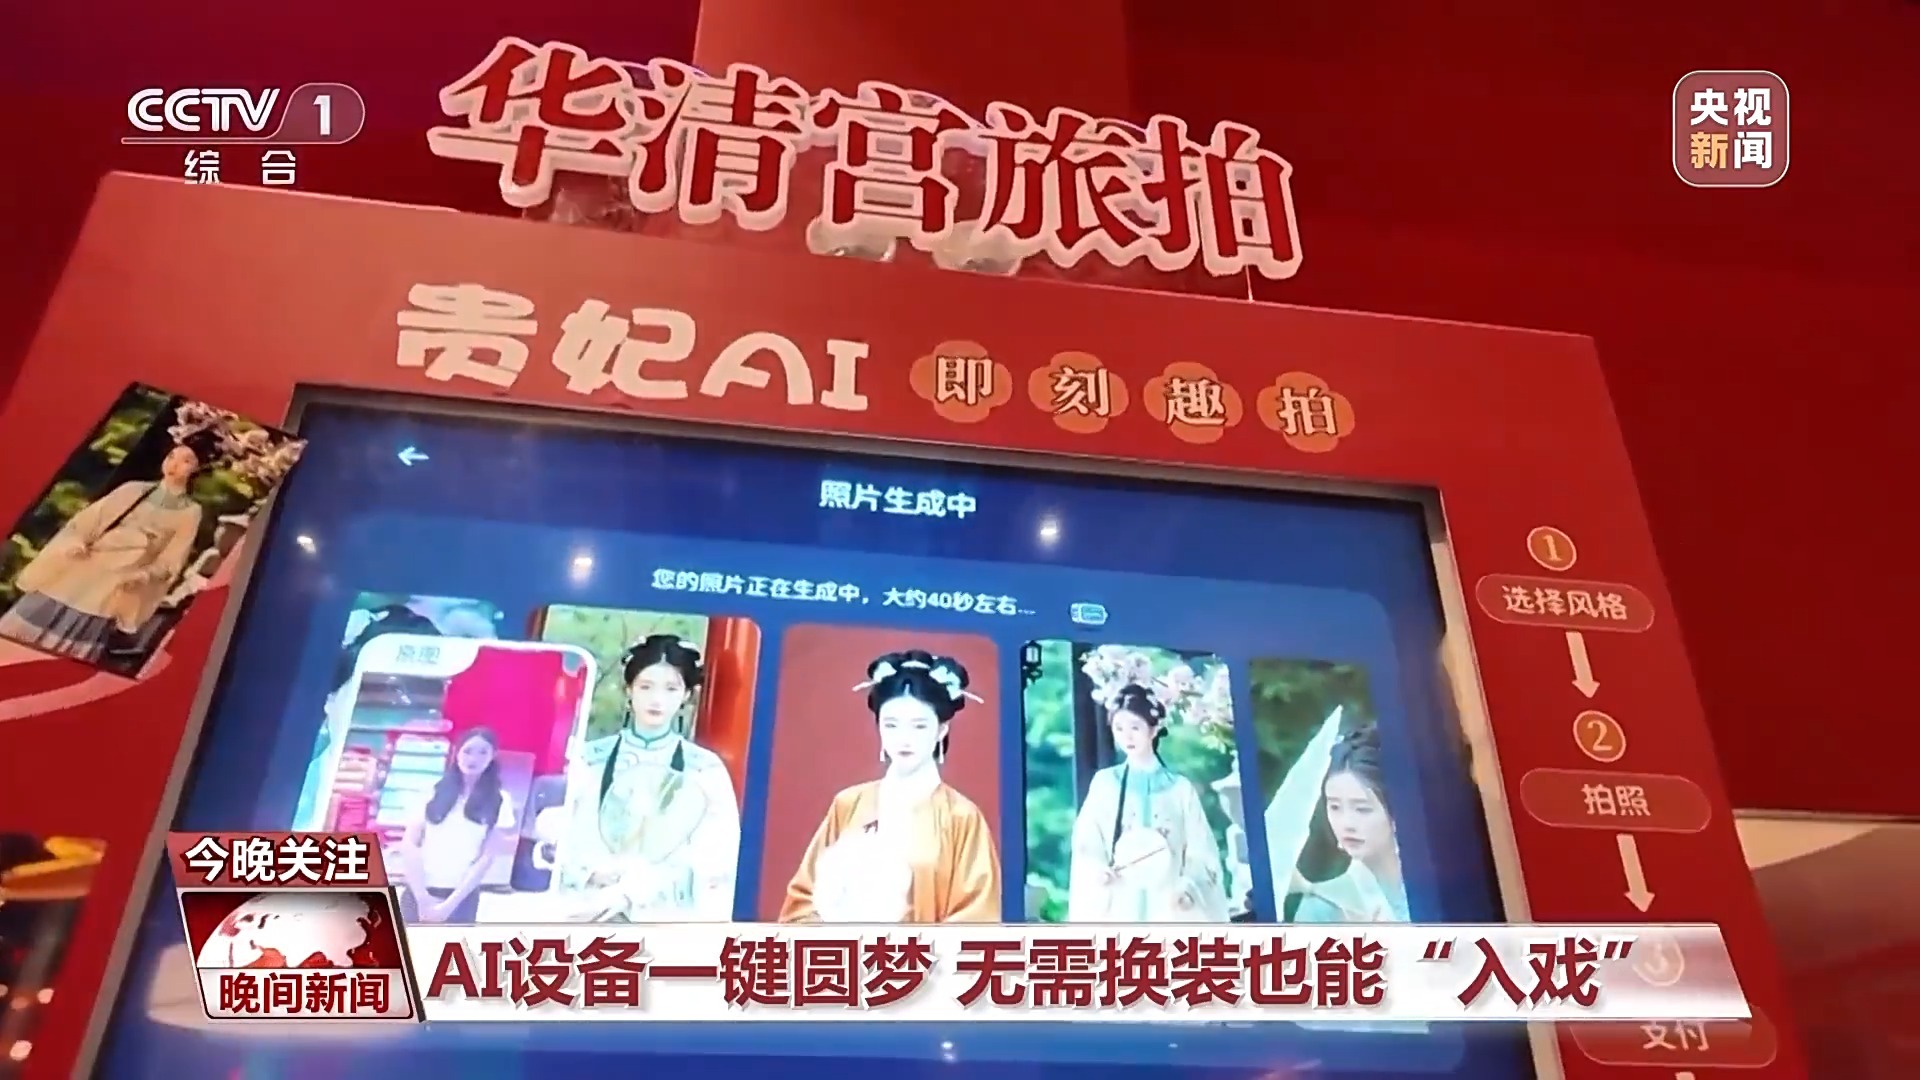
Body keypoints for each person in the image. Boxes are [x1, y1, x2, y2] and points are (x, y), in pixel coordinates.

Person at [781, 650, 1001, 923]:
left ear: (941, 730)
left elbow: (977, 918)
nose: (904, 739)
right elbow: (803, 901)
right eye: (891, 725)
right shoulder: (849, 804)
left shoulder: (962, 817)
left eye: (919, 726)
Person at [545, 634, 740, 921]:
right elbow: (557, 834)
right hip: (586, 907)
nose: (657, 700)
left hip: (664, 916)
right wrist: (589, 873)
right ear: (629, 690)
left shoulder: (704, 769)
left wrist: (636, 889)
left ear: (686, 695)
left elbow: (717, 856)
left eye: (671, 689)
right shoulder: (589, 759)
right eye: (646, 687)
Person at [0, 438, 211, 663]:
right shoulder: (133, 489)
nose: (174, 464)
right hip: (81, 568)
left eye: (186, 461)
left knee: (66, 655)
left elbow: (171, 561)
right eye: (171, 456)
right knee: (20, 630)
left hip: (113, 586)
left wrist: (143, 575)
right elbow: (86, 522)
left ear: (197, 468)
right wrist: (77, 541)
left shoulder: (190, 512)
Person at [1067, 683, 1229, 922]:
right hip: (1119, 906)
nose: (1127, 736)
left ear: (1154, 729)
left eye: (1135, 727)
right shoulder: (1105, 784)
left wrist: (1188, 888)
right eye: (1119, 728)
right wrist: (1098, 870)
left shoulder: (1180, 789)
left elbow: (1200, 849)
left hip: (1170, 909)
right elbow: (1087, 840)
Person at [292, 605, 443, 832]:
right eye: (383, 690)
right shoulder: (281, 776)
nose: (402, 707)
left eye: (422, 695)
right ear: (330, 697)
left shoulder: (423, 798)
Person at [1290, 724, 1410, 922]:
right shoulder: (1322, 905)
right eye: (1335, 807)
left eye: (1362, 809)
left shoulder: (1437, 884)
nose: (1347, 824)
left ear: (1397, 811)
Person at [400, 728, 515, 923]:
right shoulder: (432, 791)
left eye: (483, 752)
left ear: (492, 756)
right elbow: (410, 844)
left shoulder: (500, 800)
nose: (474, 759)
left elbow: (487, 857)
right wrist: (422, 898)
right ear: (457, 752)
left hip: (462, 897)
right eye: (468, 751)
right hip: (419, 890)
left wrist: (449, 905)